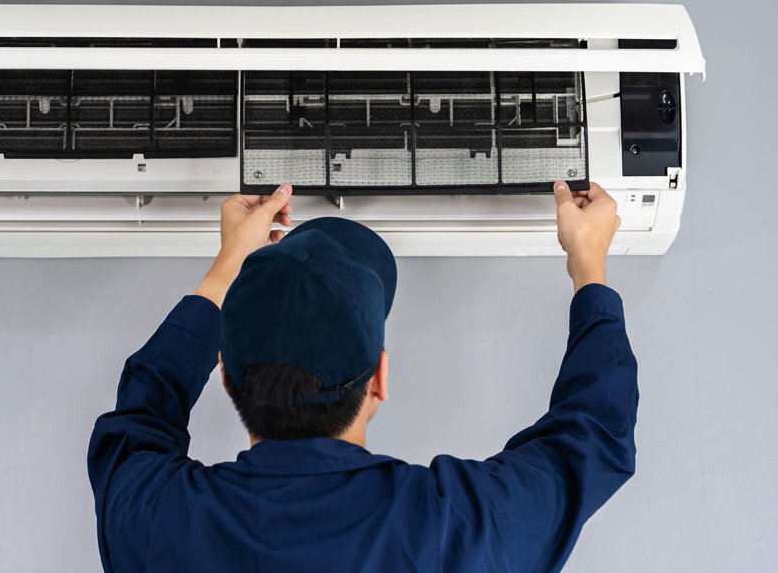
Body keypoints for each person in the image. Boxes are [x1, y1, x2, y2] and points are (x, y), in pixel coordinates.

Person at [87, 180, 637, 572]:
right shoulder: (457, 528)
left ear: (224, 373)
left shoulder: (157, 521)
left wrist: (228, 266)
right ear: (379, 379)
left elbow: (141, 413)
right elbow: (595, 434)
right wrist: (587, 263)